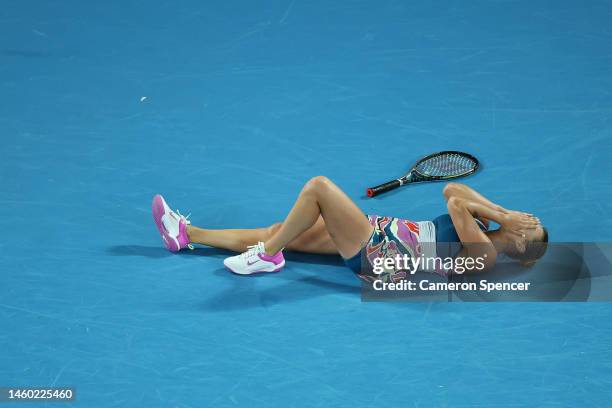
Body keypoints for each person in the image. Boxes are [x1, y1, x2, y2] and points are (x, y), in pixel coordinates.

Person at [152, 177, 547, 277]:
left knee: (318, 188)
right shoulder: (484, 222)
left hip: (382, 255)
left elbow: (458, 203)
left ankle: (269, 258)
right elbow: (451, 187)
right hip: (379, 231)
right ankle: (188, 235)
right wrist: (502, 210)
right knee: (281, 227)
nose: (528, 221)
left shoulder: (487, 256)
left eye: (530, 230)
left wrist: (505, 216)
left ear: (520, 248)